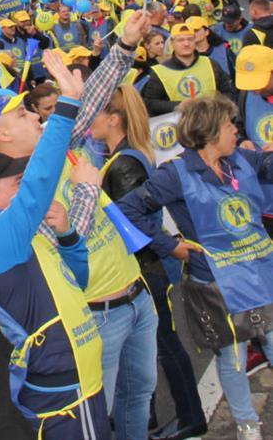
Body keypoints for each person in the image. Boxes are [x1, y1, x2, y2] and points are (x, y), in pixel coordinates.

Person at [0, 10, 158, 438]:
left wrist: (125, 44)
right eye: (22, 116)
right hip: (97, 315)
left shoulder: (56, 144)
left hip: (135, 293)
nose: (35, 116)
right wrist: (87, 189)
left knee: (140, 395)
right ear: (2, 135)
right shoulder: (13, 193)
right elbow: (66, 242)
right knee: (100, 414)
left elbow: (90, 98)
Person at [0, 56, 109, 439]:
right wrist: (67, 105)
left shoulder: (23, 233)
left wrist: (67, 235)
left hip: (79, 371)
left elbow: (77, 280)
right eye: (16, 183)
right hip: (63, 382)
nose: (25, 187)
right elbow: (38, 184)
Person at [118, 97, 273, 440]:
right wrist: (168, 245)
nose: (236, 131)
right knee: (233, 356)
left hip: (260, 272)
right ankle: (247, 425)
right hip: (216, 282)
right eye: (229, 125)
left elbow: (267, 165)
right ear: (211, 132)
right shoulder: (174, 174)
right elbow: (128, 210)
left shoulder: (241, 158)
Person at [91, 86, 208, 440]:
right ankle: (148, 410)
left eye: (95, 114)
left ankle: (191, 416)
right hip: (143, 265)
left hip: (145, 268)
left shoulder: (124, 162)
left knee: (166, 344)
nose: (89, 122)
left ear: (114, 119)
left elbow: (134, 222)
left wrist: (168, 247)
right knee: (145, 348)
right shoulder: (120, 156)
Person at [143, 22, 234, 117]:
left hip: (211, 121)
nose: (186, 44)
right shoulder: (160, 71)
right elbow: (150, 103)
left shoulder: (210, 64)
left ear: (195, 41)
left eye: (190, 39)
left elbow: (227, 91)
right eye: (180, 40)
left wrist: (216, 106)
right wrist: (178, 105)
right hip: (179, 123)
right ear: (172, 43)